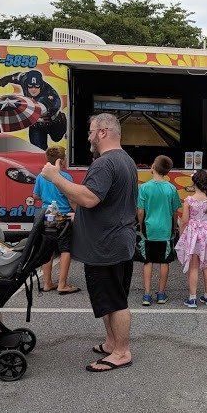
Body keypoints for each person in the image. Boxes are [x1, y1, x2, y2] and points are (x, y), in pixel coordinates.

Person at [40, 112, 138, 372]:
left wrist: (55, 177)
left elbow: (90, 197)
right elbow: (104, 202)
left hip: (106, 245)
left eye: (91, 131)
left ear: (103, 132)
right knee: (108, 299)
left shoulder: (105, 163)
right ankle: (111, 343)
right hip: (114, 241)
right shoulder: (125, 160)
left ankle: (121, 352)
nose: (89, 137)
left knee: (115, 301)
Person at [32, 145, 79, 295]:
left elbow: (35, 196)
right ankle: (62, 284)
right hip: (62, 215)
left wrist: (47, 196)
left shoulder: (41, 176)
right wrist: (78, 212)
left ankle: (47, 283)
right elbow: (71, 197)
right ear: (62, 161)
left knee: (48, 248)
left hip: (47, 214)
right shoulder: (66, 177)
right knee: (65, 248)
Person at [137, 155, 181, 305]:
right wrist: (175, 226)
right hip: (165, 229)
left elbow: (141, 211)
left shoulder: (144, 187)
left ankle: (147, 295)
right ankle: (161, 294)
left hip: (149, 229)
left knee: (148, 261)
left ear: (153, 167)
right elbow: (175, 211)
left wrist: (141, 226)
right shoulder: (171, 188)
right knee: (164, 262)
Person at [175, 170, 207, 308]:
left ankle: (192, 298)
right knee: (206, 266)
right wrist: (206, 225)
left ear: (194, 183)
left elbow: (184, 221)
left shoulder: (189, 200)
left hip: (194, 235)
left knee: (193, 267)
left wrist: (182, 233)